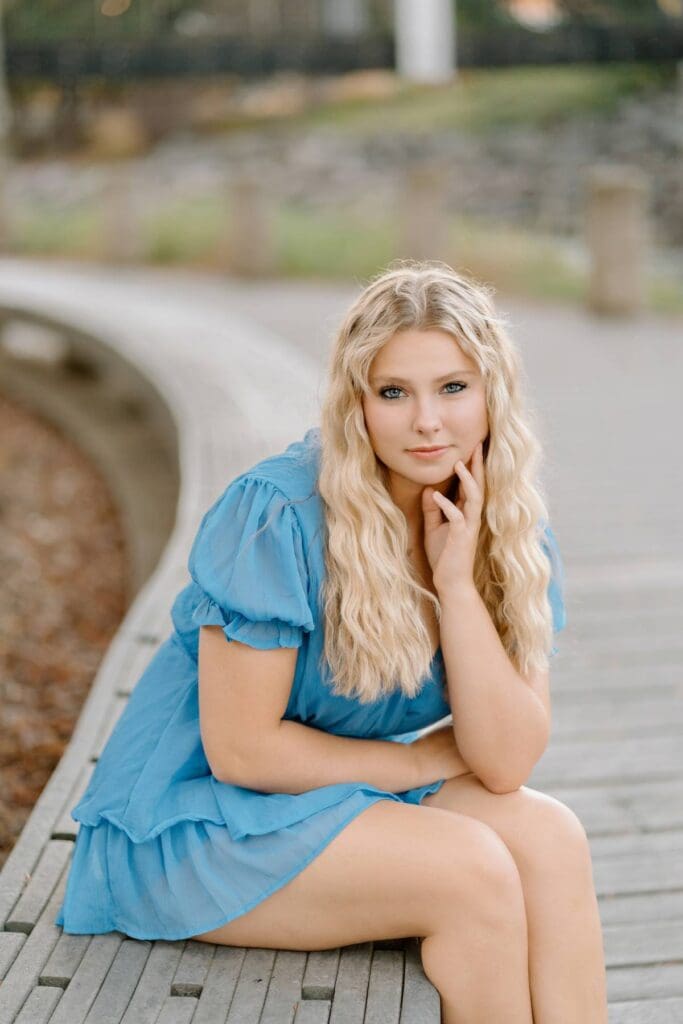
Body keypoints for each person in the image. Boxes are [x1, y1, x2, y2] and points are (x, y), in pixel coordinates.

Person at [56, 261, 608, 1023]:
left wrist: (454, 588)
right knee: (473, 871)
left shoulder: (505, 527)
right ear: (356, 403)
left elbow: (506, 761)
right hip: (187, 825)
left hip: (330, 795)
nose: (426, 423)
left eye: (453, 388)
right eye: (394, 392)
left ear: (492, 394)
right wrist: (416, 760)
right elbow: (243, 753)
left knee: (548, 838)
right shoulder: (278, 514)